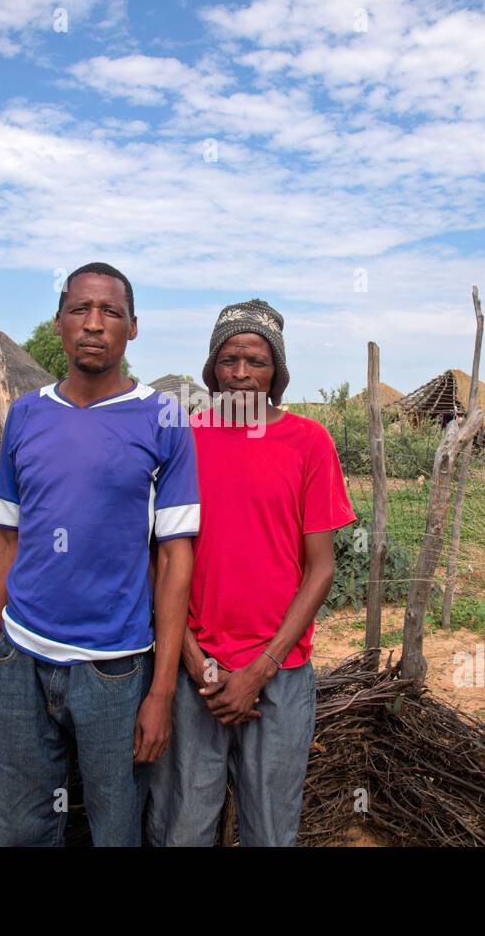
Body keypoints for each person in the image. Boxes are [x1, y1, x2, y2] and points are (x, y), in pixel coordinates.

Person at [0, 262, 198, 846]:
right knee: (15, 830)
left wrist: (161, 691)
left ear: (133, 328)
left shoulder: (163, 418)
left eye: (110, 312)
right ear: (60, 322)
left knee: (115, 830)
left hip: (116, 668)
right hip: (20, 661)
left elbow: (174, 558)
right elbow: (7, 542)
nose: (94, 324)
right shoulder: (27, 415)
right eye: (80, 310)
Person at [148, 298, 356, 846]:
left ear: (277, 372)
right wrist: (192, 660)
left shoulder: (309, 443)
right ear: (212, 367)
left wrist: (258, 671)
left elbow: (320, 571)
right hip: (195, 673)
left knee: (270, 830)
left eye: (257, 361)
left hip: (279, 675)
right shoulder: (184, 439)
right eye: (229, 358)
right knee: (182, 827)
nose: (241, 374)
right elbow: (158, 558)